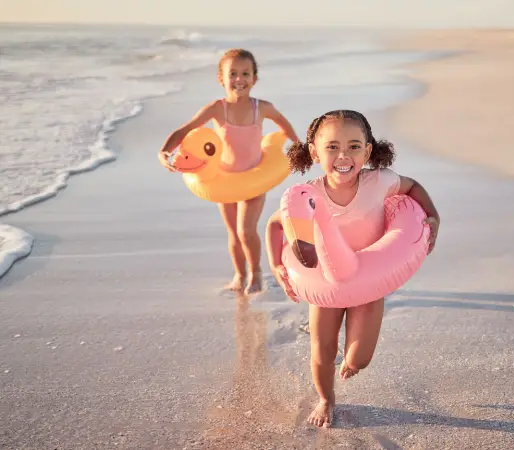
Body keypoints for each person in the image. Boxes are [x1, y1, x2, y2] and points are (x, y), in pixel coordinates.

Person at [265, 110, 440, 428]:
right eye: (332, 147)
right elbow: (276, 224)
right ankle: (326, 400)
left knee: (360, 358)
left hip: (369, 283)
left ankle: (351, 364)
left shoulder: (380, 182)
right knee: (322, 350)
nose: (343, 156)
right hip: (325, 284)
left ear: (368, 151)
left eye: (354, 146)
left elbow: (413, 188)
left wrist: (433, 215)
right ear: (314, 152)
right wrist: (276, 264)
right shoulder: (307, 196)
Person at [158, 49, 299, 294]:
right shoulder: (217, 109)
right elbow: (186, 130)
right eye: (232, 73)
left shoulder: (262, 108)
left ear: (254, 78)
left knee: (246, 231)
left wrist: (298, 146)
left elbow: (284, 124)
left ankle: (255, 274)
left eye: (245, 73)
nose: (239, 79)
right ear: (220, 78)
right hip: (224, 180)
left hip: (255, 178)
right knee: (233, 233)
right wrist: (164, 151)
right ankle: (239, 274)